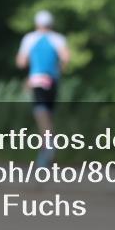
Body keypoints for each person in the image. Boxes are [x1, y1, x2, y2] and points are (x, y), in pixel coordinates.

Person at [16, 10, 69, 166]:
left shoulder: (30, 39)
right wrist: (58, 68)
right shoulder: (58, 39)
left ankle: (47, 149)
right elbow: (66, 57)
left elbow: (21, 62)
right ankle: (47, 153)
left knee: (41, 113)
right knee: (49, 114)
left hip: (37, 79)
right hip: (52, 80)